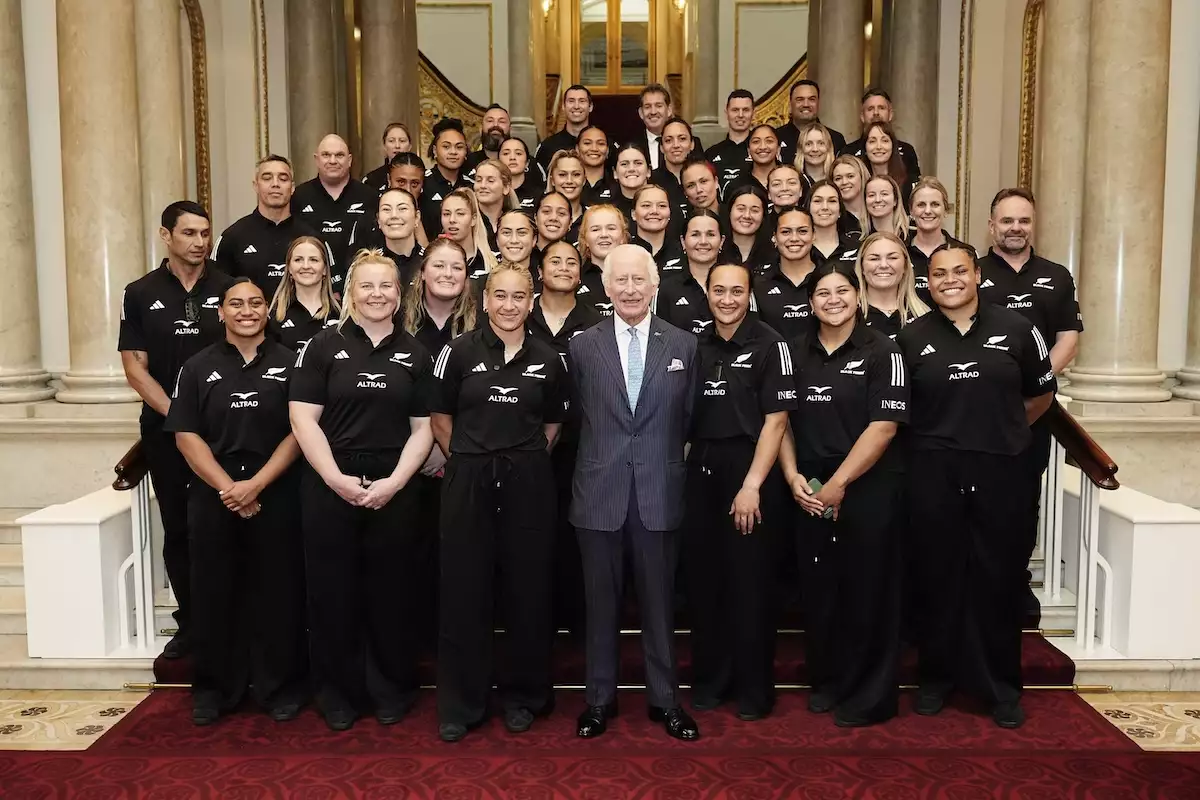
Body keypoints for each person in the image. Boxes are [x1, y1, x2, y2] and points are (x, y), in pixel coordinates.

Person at [897, 244, 1057, 729]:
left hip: (1001, 473)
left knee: (999, 580)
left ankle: (1000, 688)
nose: (949, 280)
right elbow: (899, 413)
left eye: (959, 271)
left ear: (977, 275)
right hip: (932, 474)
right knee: (937, 579)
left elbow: (1040, 394)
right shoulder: (909, 338)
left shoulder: (1017, 328)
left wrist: (1000, 431)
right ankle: (937, 680)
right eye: (939, 273)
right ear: (927, 281)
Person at [289, 248, 436, 732]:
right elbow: (303, 419)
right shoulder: (323, 346)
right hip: (331, 480)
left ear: (400, 293)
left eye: (386, 286)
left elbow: (423, 428)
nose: (377, 294)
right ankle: (338, 694)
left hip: (396, 484)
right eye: (367, 285)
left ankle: (390, 688)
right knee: (333, 594)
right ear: (348, 292)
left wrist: (394, 482)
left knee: (393, 593)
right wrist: (335, 479)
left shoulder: (417, 352)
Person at [430, 262, 568, 742]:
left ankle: (525, 697)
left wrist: (520, 462)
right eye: (500, 296)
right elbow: (440, 418)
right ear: (485, 300)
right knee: (465, 592)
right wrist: (470, 460)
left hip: (528, 483)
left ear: (530, 303)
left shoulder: (549, 359)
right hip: (468, 478)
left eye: (518, 297)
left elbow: (553, 426)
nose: (509, 306)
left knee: (527, 592)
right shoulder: (458, 352)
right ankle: (462, 703)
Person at [569, 244, 700, 742]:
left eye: (637, 280)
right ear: (605, 288)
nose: (628, 289)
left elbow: (688, 417)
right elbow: (579, 417)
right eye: (619, 280)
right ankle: (598, 701)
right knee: (599, 604)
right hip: (598, 494)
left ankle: (666, 700)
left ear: (654, 286)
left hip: (658, 492)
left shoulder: (684, 346)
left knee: (659, 603)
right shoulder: (583, 346)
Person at [166, 277, 306, 726]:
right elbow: (187, 436)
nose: (247, 310)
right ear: (220, 312)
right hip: (215, 493)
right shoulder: (196, 365)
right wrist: (230, 487)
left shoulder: (291, 363)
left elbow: (300, 432)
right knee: (213, 593)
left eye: (256, 303)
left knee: (278, 592)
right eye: (236, 303)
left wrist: (257, 485)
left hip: (276, 490)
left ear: (268, 309)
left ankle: (278, 687)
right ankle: (214, 690)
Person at [779, 261, 910, 727]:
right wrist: (792, 475)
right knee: (821, 590)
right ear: (809, 302)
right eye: (822, 293)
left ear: (857, 296)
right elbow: (782, 422)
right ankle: (829, 681)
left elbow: (884, 428)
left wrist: (839, 485)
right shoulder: (793, 351)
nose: (832, 300)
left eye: (841, 291)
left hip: (868, 487)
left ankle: (869, 695)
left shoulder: (883, 350)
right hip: (810, 490)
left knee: (867, 591)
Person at [119, 201, 236, 659]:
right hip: (166, 431)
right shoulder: (139, 291)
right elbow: (135, 368)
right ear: (166, 236)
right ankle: (191, 623)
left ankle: (235, 620)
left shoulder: (229, 288)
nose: (200, 242)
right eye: (189, 233)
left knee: (229, 521)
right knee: (181, 527)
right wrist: (181, 416)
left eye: (205, 233)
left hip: (228, 430)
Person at [684, 261, 793, 721]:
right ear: (707, 293)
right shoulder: (693, 345)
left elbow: (778, 420)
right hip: (701, 471)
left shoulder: (772, 344)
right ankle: (711, 681)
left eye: (736, 291)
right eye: (718, 291)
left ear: (750, 294)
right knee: (705, 583)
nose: (727, 299)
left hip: (752, 471)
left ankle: (753, 690)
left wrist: (752, 485)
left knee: (751, 586)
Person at [977, 187, 1083, 625]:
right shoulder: (972, 271)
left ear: (1032, 224)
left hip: (1032, 411)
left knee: (1022, 500)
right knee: (973, 497)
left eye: (1023, 220)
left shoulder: (1056, 275)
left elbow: (1068, 338)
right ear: (991, 225)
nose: (1015, 228)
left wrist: (1036, 383)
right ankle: (974, 583)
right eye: (1006, 221)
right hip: (977, 409)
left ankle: (1015, 583)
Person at [526, 241, 604, 639]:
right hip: (525, 445)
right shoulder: (519, 316)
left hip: (583, 446)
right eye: (553, 260)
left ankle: (577, 622)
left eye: (571, 261)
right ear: (539, 271)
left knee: (576, 535)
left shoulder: (597, 323)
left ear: (581, 273)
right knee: (531, 536)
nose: (562, 266)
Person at [212, 155, 325, 300]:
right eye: (267, 178)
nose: (275, 184)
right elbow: (217, 290)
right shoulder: (232, 237)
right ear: (255, 185)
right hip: (250, 320)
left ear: (292, 187)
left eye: (283, 179)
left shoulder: (311, 237)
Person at [291, 134, 378, 269]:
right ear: (316, 159)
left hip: (359, 278)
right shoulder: (299, 196)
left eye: (339, 155)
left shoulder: (369, 196)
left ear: (349, 160)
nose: (332, 161)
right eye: (326, 155)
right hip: (313, 278)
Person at [656, 210, 725, 335]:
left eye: (710, 234)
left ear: (721, 241)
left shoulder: (736, 284)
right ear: (683, 241)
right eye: (695, 234)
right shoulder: (666, 288)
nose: (703, 241)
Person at [269, 235, 341, 353]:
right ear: (289, 269)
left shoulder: (342, 312)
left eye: (314, 260)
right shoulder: (274, 315)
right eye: (298, 260)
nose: (306, 266)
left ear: (324, 269)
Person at [756, 207, 817, 340]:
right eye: (786, 232)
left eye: (802, 231)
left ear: (814, 235)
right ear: (774, 237)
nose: (794, 238)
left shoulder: (828, 279)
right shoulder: (758, 284)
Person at [855, 232, 930, 340]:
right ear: (861, 266)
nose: (884, 265)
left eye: (892, 258)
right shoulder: (849, 316)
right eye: (874, 259)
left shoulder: (923, 316)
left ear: (905, 265)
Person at [908, 177, 972, 302]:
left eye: (935, 204)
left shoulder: (965, 252)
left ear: (945, 210)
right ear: (911, 211)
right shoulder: (899, 252)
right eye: (921, 205)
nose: (927, 211)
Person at [348, 188, 424, 287]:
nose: (394, 215)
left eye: (402, 209)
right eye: (386, 209)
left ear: (417, 217)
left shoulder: (430, 261)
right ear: (378, 219)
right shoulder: (364, 265)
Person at [844, 89, 921, 178]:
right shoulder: (848, 152)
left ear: (890, 114)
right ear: (862, 116)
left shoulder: (907, 151)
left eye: (881, 108)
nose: (876, 113)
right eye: (870, 109)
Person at [420, 118, 473, 238]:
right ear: (435, 150)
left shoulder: (472, 186)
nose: (453, 152)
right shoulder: (423, 183)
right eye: (446, 147)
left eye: (459, 147)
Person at [577, 204, 629, 317]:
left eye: (611, 228)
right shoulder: (575, 278)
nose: (604, 235)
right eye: (595, 229)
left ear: (622, 237)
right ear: (585, 239)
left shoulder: (636, 275)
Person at [775, 80, 847, 160]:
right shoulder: (776, 137)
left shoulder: (835, 138)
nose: (806, 104)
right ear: (790, 105)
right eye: (800, 99)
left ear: (818, 103)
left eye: (811, 99)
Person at [637, 83, 700, 171]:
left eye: (659, 106)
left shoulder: (692, 143)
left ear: (669, 110)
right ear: (641, 113)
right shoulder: (633, 145)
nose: (653, 112)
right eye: (647, 107)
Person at [442, 188, 499, 281]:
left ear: (473, 219)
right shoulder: (433, 259)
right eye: (446, 214)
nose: (452, 220)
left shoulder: (491, 265)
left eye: (460, 214)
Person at [536, 85, 597, 171]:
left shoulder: (604, 145)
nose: (576, 106)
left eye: (582, 101)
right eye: (571, 101)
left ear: (590, 107)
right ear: (563, 106)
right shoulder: (547, 147)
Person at [630, 184, 685, 275]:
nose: (654, 211)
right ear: (633, 214)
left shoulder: (683, 252)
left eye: (662, 206)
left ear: (670, 213)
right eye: (646, 205)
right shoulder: (622, 252)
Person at [706, 90, 755, 188]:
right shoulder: (711, 153)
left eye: (745, 110)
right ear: (726, 113)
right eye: (735, 110)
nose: (740, 115)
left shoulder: (761, 152)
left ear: (753, 113)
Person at [860, 122, 915, 208]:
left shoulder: (907, 184)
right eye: (872, 141)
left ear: (893, 147)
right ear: (865, 148)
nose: (878, 146)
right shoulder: (859, 184)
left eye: (885, 141)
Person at [719, 183, 773, 269]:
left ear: (763, 216)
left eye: (755, 210)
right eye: (741, 209)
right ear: (729, 212)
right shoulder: (716, 251)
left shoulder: (774, 255)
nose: (747, 215)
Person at [652, 117, 697, 218]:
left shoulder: (703, 177)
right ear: (661, 147)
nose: (676, 145)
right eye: (668, 140)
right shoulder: (651, 181)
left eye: (682, 139)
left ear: (692, 144)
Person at [807, 181, 859, 266]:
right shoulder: (799, 249)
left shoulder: (857, 249)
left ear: (840, 211)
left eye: (832, 201)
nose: (825, 207)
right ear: (808, 207)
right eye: (817, 201)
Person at [722, 124, 780, 198]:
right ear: (748, 150)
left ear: (778, 148)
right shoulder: (736, 185)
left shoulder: (790, 178)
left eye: (769, 141)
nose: (763, 147)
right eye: (756, 141)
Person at [473, 158, 517, 250]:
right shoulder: (467, 221)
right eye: (479, 180)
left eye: (490, 181)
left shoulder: (516, 222)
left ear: (506, 187)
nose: (483, 186)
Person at [547, 150, 587, 243]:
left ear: (584, 180)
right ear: (552, 180)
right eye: (562, 174)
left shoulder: (592, 218)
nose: (569, 181)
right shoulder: (541, 218)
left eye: (576, 174)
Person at [499, 136, 547, 210]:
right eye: (506, 153)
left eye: (518, 153)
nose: (512, 157)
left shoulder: (540, 196)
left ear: (527, 163)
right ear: (498, 161)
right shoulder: (493, 193)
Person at [363, 122, 413, 192]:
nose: (397, 145)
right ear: (384, 146)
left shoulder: (423, 176)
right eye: (391, 141)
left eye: (402, 141)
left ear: (410, 146)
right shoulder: (372, 179)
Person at [464, 104, 511, 177]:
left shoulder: (519, 162)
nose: (495, 125)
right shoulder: (467, 162)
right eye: (490, 121)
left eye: (502, 121)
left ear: (510, 129)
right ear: (480, 129)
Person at [832, 155, 871, 237]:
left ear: (862, 177)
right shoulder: (832, 218)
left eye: (850, 176)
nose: (844, 182)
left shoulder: (876, 211)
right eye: (838, 178)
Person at [612, 144, 651, 222]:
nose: (631, 169)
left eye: (638, 163)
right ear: (615, 173)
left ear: (648, 171)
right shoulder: (607, 210)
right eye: (624, 164)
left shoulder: (664, 207)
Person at [578, 125, 614, 206]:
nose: (594, 148)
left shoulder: (618, 184)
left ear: (607, 150)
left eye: (601, 143)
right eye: (587, 143)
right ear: (577, 149)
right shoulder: (569, 183)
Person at [865, 175, 909, 240]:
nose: (878, 200)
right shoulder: (858, 239)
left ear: (895, 200)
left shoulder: (912, 236)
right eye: (871, 195)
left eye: (884, 194)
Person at [496, 208, 538, 275]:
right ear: (497, 239)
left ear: (534, 239)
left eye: (522, 233)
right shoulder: (483, 283)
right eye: (506, 233)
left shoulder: (547, 282)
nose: (514, 240)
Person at [796, 122, 836, 190]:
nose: (815, 149)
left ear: (829, 148)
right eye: (808, 144)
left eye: (821, 143)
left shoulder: (837, 179)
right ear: (801, 149)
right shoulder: (794, 180)